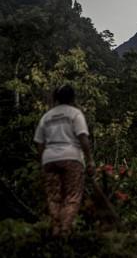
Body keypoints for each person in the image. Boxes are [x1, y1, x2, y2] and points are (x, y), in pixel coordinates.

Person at [34, 84, 95, 236]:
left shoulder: (46, 117)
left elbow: (39, 142)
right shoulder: (75, 114)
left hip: (49, 159)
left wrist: (44, 160)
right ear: (73, 98)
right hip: (71, 158)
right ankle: (65, 230)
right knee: (72, 196)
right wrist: (90, 160)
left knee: (54, 197)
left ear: (56, 98)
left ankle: (55, 228)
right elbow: (83, 138)